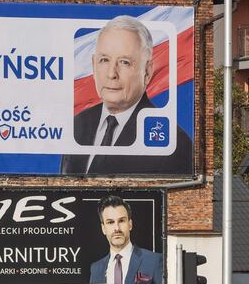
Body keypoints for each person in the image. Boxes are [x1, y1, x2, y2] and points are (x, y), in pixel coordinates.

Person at [61, 16, 193, 175]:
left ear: (147, 71)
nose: (112, 74)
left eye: (124, 62)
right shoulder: (77, 125)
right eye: (104, 60)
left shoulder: (173, 142)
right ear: (94, 66)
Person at [89, 195, 164, 284]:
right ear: (103, 228)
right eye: (110, 222)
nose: (117, 228)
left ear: (130, 224)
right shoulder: (96, 269)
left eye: (121, 221)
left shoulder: (154, 261)